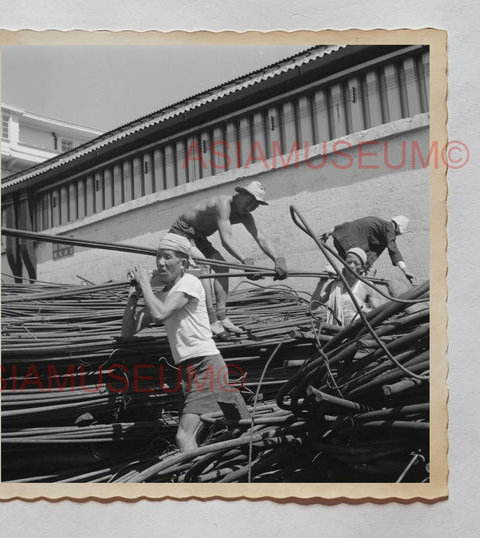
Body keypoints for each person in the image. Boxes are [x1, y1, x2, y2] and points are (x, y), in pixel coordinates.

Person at [120, 233, 244, 452]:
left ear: (183, 263)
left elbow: (160, 315)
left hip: (206, 365)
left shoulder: (190, 283)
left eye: (167, 257)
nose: (160, 262)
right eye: (158, 257)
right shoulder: (163, 294)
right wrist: (134, 295)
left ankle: (195, 485)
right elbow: (128, 332)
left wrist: (146, 285)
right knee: (208, 430)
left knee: (184, 436)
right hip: (189, 370)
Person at [168, 180, 288, 337]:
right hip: (181, 233)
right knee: (204, 266)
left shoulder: (245, 216)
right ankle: (211, 319)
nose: (251, 207)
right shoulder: (224, 203)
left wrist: (277, 259)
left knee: (222, 267)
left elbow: (261, 238)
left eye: (255, 205)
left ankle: (222, 316)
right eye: (250, 201)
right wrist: (246, 262)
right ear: (241, 194)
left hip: (199, 238)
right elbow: (226, 240)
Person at [320, 215, 414, 282]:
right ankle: (359, 288)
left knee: (350, 267)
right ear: (398, 228)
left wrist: (330, 232)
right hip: (351, 244)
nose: (396, 235)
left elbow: (349, 225)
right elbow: (393, 250)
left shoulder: (375, 220)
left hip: (339, 238)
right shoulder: (389, 229)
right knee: (361, 268)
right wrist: (405, 270)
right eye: (398, 233)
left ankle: (341, 277)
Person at [312, 247, 384, 327]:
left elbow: (380, 312)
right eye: (348, 262)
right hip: (336, 333)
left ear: (362, 268)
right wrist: (321, 283)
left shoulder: (366, 285)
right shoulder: (335, 285)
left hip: (359, 332)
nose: (351, 266)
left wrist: (365, 311)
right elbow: (313, 306)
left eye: (356, 264)